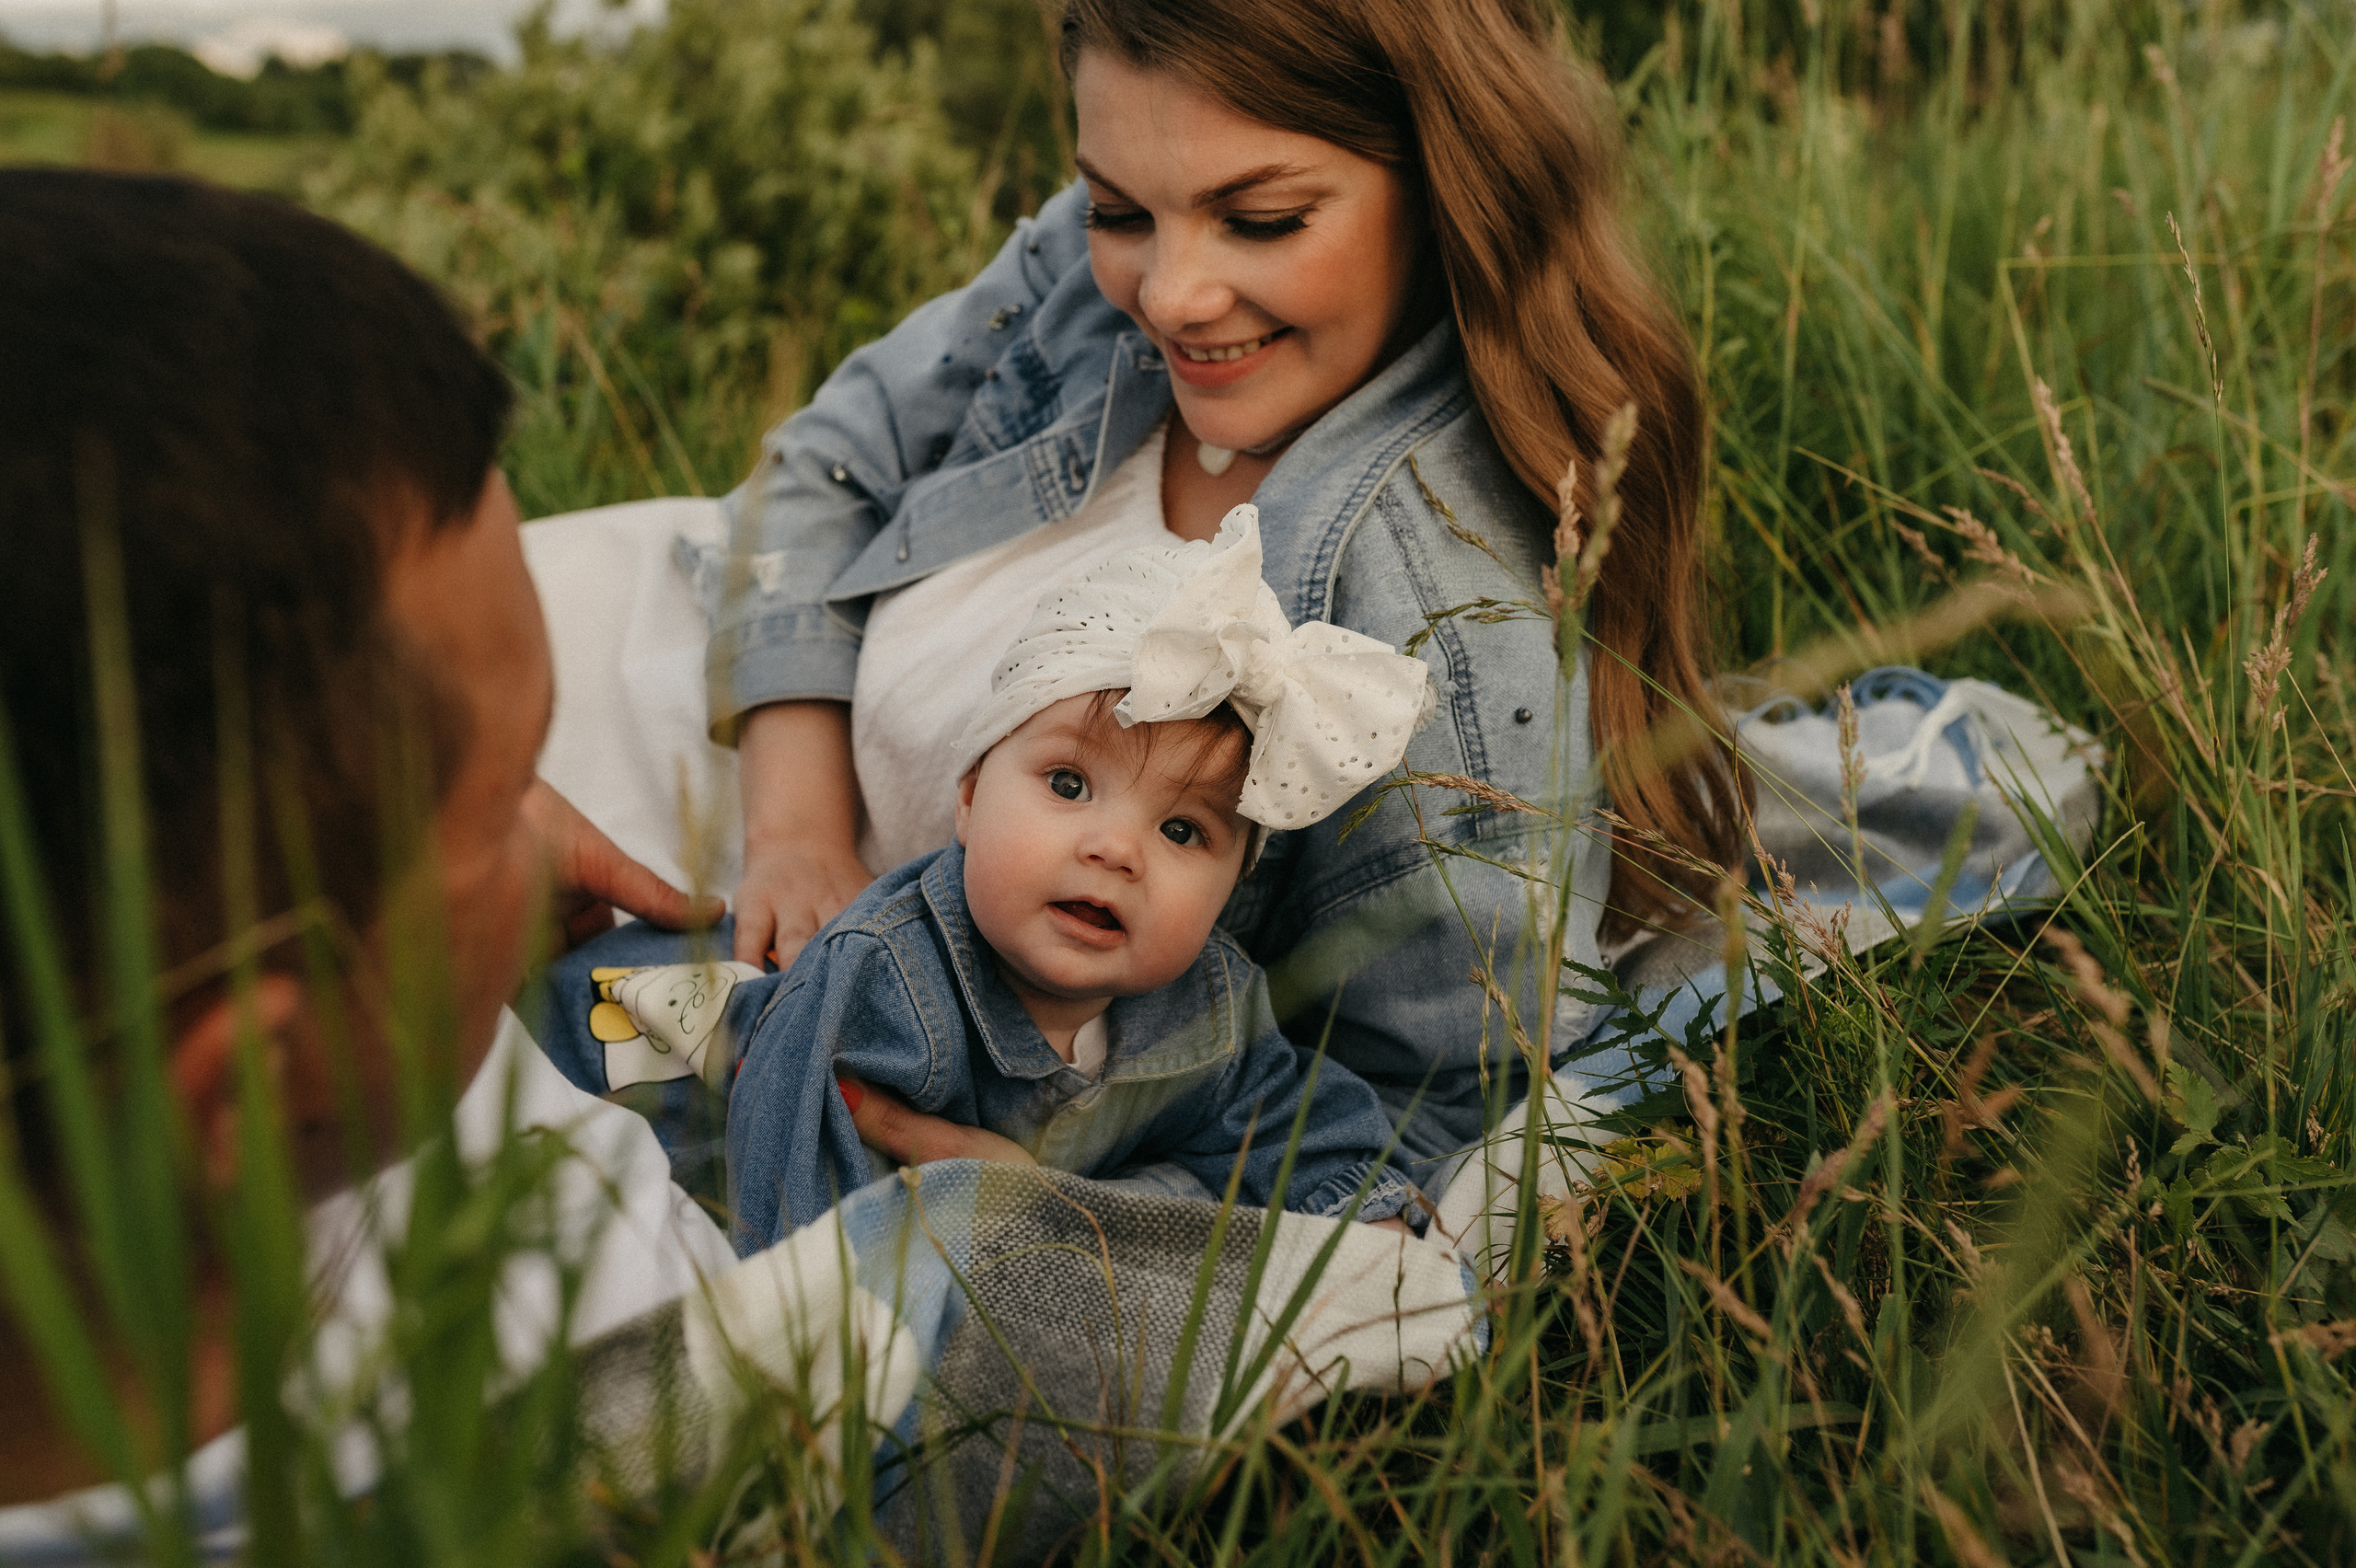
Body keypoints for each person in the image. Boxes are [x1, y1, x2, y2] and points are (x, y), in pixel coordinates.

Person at [705, 0, 1750, 1184]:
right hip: (748, 783)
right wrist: (790, 826)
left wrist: (1061, 1195)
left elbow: (1425, 1121)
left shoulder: (1441, 629)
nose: (1168, 298)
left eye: (1259, 221)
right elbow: (824, 466)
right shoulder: (1099, 259)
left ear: (1448, 180)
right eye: (1117, 210)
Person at [541, 513, 1429, 1246]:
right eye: (1070, 785)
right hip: (615, 1055)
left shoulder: (1208, 1007)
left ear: (1234, 884)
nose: (1118, 849)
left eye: (1183, 830)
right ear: (968, 799)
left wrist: (1368, 1215)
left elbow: (1285, 1119)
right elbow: (793, 1206)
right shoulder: (882, 982)